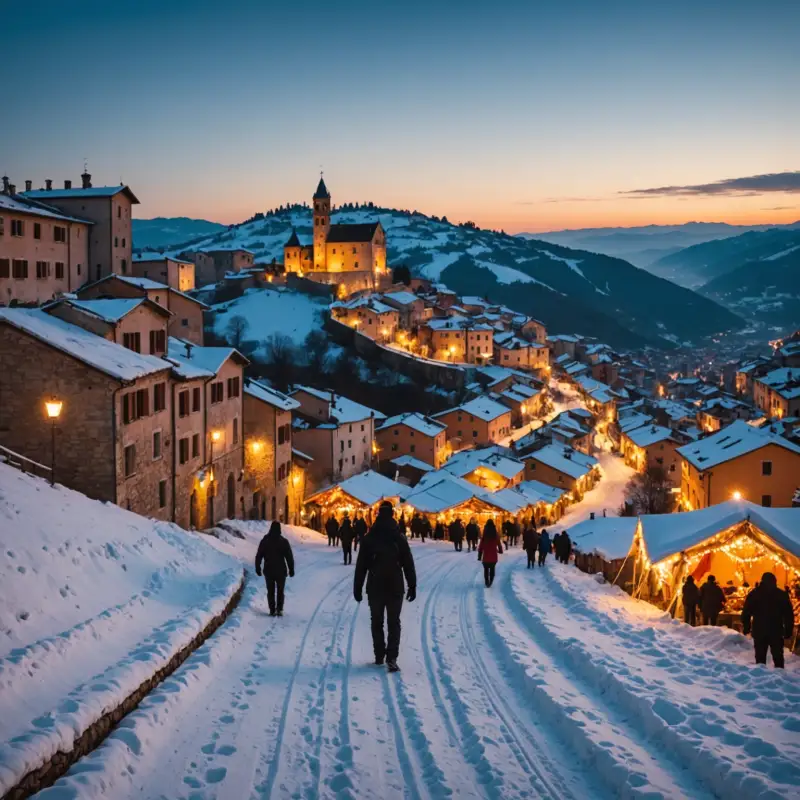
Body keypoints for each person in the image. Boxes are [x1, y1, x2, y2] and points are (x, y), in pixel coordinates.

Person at [354, 501, 417, 673]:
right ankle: (392, 657)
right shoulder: (399, 537)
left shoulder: (369, 538)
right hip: (395, 585)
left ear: (378, 515)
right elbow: (408, 563)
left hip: (375, 586)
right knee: (394, 622)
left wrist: (357, 588)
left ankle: (379, 654)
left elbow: (361, 566)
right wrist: (412, 585)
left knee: (377, 622)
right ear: (392, 515)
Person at [742, 572, 794, 669]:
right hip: (776, 630)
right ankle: (779, 679)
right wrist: (788, 631)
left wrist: (747, 628)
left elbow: (746, 613)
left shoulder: (754, 594)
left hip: (759, 630)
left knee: (760, 659)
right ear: (774, 582)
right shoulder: (781, 595)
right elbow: (788, 615)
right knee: (778, 658)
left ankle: (761, 679)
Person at [255, 521, 295, 617]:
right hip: (281, 570)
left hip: (269, 570)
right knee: (280, 590)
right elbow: (289, 556)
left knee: (271, 590)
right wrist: (291, 569)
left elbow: (259, 555)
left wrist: (258, 567)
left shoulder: (265, 541)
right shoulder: (283, 541)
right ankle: (279, 609)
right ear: (280, 529)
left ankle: (272, 609)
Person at [478, 519, 503, 587]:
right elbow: (499, 543)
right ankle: (491, 581)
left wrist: (479, 556)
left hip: (486, 555)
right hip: (493, 555)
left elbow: (481, 547)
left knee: (486, 569)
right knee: (492, 569)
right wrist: (500, 550)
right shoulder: (495, 534)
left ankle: (487, 582)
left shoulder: (485, 535)